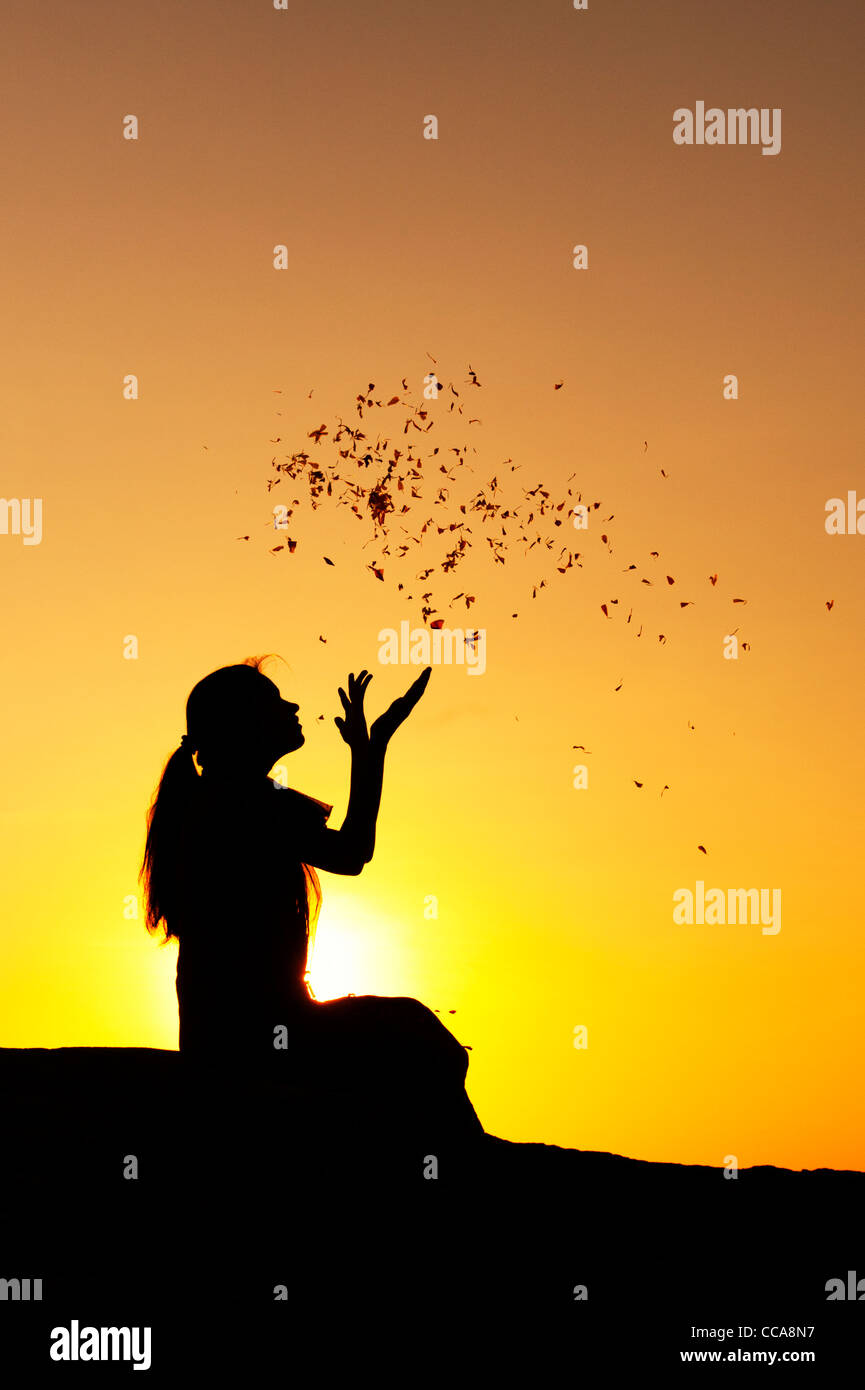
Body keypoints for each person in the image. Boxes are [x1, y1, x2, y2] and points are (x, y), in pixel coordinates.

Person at [139, 655, 483, 1147]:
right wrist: (371, 751)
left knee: (421, 1043)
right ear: (247, 726)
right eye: (277, 702)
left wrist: (371, 750)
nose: (295, 706)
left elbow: (350, 853)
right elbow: (353, 853)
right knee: (424, 1044)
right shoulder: (247, 804)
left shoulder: (218, 800)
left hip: (227, 1036)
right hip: (261, 1041)